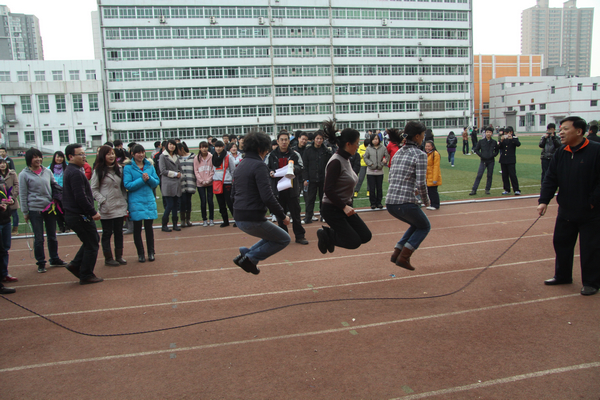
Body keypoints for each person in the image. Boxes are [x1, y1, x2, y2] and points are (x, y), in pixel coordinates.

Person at [537, 116, 600, 296]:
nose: (561, 132)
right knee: (561, 243)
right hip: (566, 210)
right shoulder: (561, 152)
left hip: (590, 212)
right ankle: (562, 275)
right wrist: (544, 200)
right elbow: (551, 178)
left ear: (579, 131)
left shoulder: (596, 150)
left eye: (565, 129)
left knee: (590, 248)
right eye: (560, 129)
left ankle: (591, 282)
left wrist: (593, 202)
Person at [231, 130, 291, 274]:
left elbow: (233, 194)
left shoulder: (241, 165)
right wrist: (282, 216)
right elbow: (267, 196)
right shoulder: (259, 166)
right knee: (284, 238)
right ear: (260, 148)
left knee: (272, 236)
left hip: (239, 216)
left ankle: (246, 254)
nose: (267, 152)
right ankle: (251, 258)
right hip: (252, 217)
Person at [316, 120, 372, 254]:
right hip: (332, 209)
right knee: (353, 242)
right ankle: (326, 235)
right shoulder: (336, 162)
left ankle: (330, 236)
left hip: (344, 206)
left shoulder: (346, 159)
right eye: (357, 143)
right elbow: (328, 189)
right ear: (348, 144)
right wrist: (344, 207)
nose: (358, 146)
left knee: (365, 236)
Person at [386, 123, 430, 271]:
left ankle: (397, 253)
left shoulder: (398, 153)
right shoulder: (420, 155)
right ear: (417, 136)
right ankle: (404, 257)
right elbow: (421, 183)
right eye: (422, 136)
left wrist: (413, 190)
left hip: (390, 202)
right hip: (405, 203)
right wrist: (426, 201)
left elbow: (391, 178)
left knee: (416, 224)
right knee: (424, 226)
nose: (423, 138)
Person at [18, 148, 67, 273]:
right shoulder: (24, 175)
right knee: (39, 238)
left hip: (50, 208)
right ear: (29, 159)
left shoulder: (47, 171)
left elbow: (54, 185)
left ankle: (54, 258)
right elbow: (22, 194)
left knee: (52, 236)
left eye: (39, 156)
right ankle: (41, 262)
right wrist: (25, 212)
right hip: (35, 209)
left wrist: (57, 197)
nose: (38, 159)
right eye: (35, 157)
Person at [62, 144, 103, 285]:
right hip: (79, 215)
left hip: (75, 214)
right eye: (80, 154)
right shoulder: (75, 173)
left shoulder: (72, 171)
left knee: (91, 240)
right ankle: (86, 274)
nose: (84, 156)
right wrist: (92, 212)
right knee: (92, 243)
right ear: (70, 157)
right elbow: (80, 197)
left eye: (84, 153)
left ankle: (75, 265)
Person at [267, 131, 308, 244]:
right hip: (278, 189)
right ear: (278, 141)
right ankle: (283, 237)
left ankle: (300, 236)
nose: (284, 142)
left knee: (296, 214)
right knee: (281, 215)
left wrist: (294, 169)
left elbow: (301, 167)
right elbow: (266, 168)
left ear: (289, 141)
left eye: (286, 139)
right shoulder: (271, 155)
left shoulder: (294, 154)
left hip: (292, 189)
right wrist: (270, 172)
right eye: (282, 140)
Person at [90, 145, 128, 266]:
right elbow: (93, 189)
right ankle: (108, 257)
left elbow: (123, 187)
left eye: (112, 153)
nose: (111, 156)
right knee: (107, 233)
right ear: (103, 156)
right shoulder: (98, 171)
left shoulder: (119, 169)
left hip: (119, 205)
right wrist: (103, 200)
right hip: (107, 207)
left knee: (119, 232)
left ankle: (119, 256)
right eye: (108, 154)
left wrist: (124, 200)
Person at [124, 144, 160, 262]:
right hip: (136, 201)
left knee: (149, 228)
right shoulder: (128, 167)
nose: (141, 155)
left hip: (149, 200)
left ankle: (151, 252)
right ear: (133, 154)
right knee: (137, 228)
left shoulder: (149, 165)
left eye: (142, 152)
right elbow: (128, 185)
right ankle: (140, 253)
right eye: (138, 153)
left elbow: (156, 182)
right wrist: (142, 180)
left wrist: (149, 179)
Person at [302, 130, 333, 224]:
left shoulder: (326, 151)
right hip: (311, 179)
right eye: (317, 138)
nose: (319, 140)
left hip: (323, 179)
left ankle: (323, 216)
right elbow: (305, 166)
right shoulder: (308, 150)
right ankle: (308, 217)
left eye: (321, 139)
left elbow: (329, 165)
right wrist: (305, 178)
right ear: (314, 139)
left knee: (323, 198)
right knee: (310, 199)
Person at [159, 139, 182, 232]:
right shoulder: (163, 156)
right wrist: (175, 174)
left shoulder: (176, 156)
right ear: (167, 145)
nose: (172, 146)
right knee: (169, 205)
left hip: (176, 183)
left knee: (175, 205)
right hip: (168, 183)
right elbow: (163, 170)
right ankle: (164, 225)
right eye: (170, 144)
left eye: (173, 145)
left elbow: (179, 168)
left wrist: (179, 173)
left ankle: (175, 224)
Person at [469, 127, 499, 196]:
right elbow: (476, 149)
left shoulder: (494, 142)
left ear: (492, 133)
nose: (488, 133)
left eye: (490, 132)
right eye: (487, 132)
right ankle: (474, 189)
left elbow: (497, 150)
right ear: (485, 133)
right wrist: (481, 155)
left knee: (489, 175)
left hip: (491, 161)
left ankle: (487, 189)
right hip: (483, 161)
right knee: (479, 175)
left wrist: (493, 155)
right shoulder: (481, 141)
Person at [213, 140, 236, 227]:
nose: (218, 148)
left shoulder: (228, 157)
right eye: (216, 147)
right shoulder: (213, 157)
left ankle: (236, 220)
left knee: (230, 202)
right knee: (221, 203)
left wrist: (233, 181)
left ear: (223, 147)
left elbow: (233, 170)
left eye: (220, 147)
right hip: (217, 182)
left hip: (227, 182)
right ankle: (225, 220)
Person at [363, 132, 389, 209]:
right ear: (371, 140)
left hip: (380, 171)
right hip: (370, 171)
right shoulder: (368, 148)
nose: (375, 140)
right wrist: (370, 164)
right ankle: (373, 203)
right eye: (374, 139)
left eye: (377, 139)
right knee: (372, 188)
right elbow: (365, 157)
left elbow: (387, 156)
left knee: (379, 188)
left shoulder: (383, 148)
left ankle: (379, 202)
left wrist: (383, 162)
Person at [0, 174, 17, 283]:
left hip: (6, 219)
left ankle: (4, 273)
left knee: (5, 248)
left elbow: (8, 195)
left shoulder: (2, 181)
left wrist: (11, 200)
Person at [194, 141, 215, 227]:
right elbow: (196, 171)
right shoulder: (196, 158)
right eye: (202, 147)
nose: (204, 149)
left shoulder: (211, 156)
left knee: (210, 201)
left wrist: (209, 180)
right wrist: (201, 180)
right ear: (200, 148)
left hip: (210, 183)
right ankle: (204, 219)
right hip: (200, 184)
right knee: (203, 201)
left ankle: (211, 219)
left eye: (206, 147)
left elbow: (213, 169)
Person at [47, 151, 68, 233]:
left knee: (66, 209)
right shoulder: (49, 169)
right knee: (57, 210)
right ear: (54, 158)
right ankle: (60, 226)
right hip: (55, 193)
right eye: (57, 157)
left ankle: (67, 226)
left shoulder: (67, 167)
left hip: (65, 192)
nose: (59, 159)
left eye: (61, 157)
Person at [177, 142, 196, 228]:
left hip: (190, 182)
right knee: (182, 201)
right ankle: (182, 220)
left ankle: (188, 219)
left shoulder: (193, 157)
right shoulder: (177, 158)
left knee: (188, 201)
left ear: (182, 149)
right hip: (181, 183)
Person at [498, 126, 521, 195]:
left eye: (507, 133)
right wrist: (501, 141)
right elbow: (499, 147)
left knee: (512, 175)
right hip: (503, 159)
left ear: (511, 132)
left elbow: (518, 144)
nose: (506, 134)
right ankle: (507, 189)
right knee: (504, 176)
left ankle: (516, 189)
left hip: (511, 160)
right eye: (505, 133)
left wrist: (512, 139)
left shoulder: (514, 138)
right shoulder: (503, 138)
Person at [0, 158, 19, 235]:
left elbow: (17, 185)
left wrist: (13, 196)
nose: (2, 165)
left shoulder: (12, 173)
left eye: (4, 163)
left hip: (11, 198)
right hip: (1, 200)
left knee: (14, 214)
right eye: (0, 163)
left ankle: (15, 229)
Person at [424, 141, 442, 210]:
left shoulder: (435, 154)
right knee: (429, 191)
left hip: (433, 177)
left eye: (429, 146)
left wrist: (435, 179)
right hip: (428, 177)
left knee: (433, 191)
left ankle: (435, 205)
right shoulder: (428, 154)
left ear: (432, 147)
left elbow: (436, 167)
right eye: (426, 146)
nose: (427, 147)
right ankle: (432, 204)